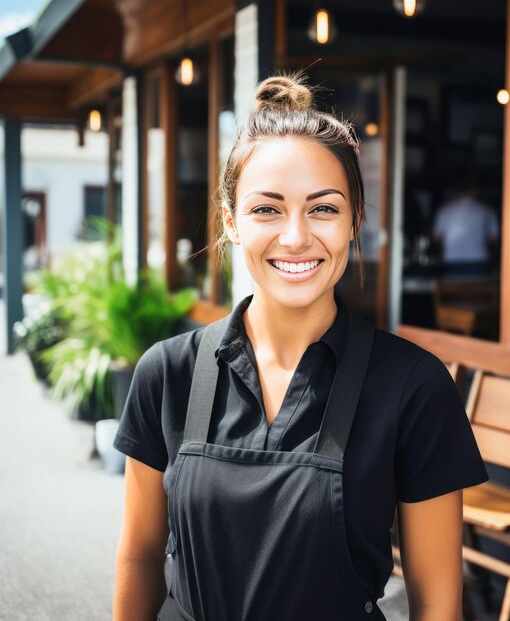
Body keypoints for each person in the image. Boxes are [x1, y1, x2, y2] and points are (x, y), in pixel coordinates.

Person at [112, 73, 489, 621]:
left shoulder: (413, 386)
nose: (295, 237)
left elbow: (436, 608)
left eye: (324, 208)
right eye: (267, 209)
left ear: (356, 219)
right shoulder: (168, 372)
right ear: (231, 221)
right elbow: (141, 558)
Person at [432, 178, 500, 276]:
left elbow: (437, 239)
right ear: (475, 190)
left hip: (451, 260)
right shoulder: (486, 211)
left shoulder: (445, 211)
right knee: (479, 290)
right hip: (478, 259)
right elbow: (494, 240)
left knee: (453, 290)